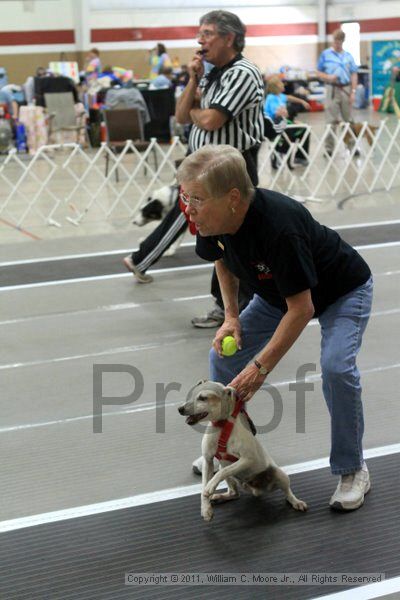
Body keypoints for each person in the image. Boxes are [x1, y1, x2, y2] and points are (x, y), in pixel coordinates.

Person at [177, 144, 373, 512]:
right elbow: (222, 258)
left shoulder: (280, 227)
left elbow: (302, 309)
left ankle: (353, 468)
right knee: (221, 363)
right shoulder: (209, 217)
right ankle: (231, 455)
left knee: (336, 368)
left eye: (197, 199)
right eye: (186, 197)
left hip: (341, 290)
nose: (190, 208)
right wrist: (231, 316)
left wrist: (260, 368)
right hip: (274, 294)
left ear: (233, 198)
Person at [124, 10, 264, 328]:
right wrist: (193, 79)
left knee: (233, 237)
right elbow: (182, 116)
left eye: (208, 33)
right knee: (217, 237)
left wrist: (198, 109)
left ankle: (236, 306)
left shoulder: (242, 73)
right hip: (202, 166)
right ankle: (232, 305)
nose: (200, 40)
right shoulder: (211, 73)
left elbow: (213, 119)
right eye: (199, 33)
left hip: (232, 167)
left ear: (230, 38)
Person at [316, 29, 358, 156]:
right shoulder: (325, 54)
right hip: (331, 89)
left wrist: (353, 92)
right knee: (331, 120)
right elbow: (318, 72)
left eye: (339, 42)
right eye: (335, 42)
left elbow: (354, 74)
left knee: (348, 119)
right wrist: (328, 77)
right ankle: (329, 148)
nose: (336, 44)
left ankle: (352, 146)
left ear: (343, 42)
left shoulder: (348, 56)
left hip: (346, 88)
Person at [264, 75, 311, 167]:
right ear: (276, 86)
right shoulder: (271, 98)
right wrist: (289, 118)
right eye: (281, 83)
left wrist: (302, 101)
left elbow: (289, 98)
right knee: (301, 128)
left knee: (304, 130)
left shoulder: (280, 96)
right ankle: (282, 153)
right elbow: (278, 113)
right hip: (274, 126)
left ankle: (299, 157)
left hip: (284, 123)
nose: (283, 85)